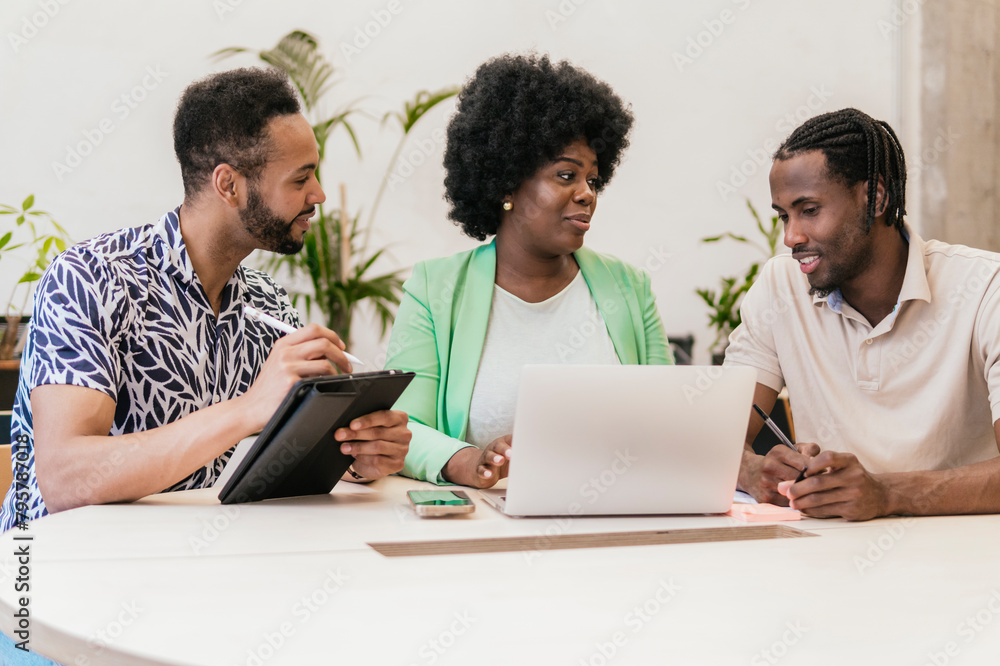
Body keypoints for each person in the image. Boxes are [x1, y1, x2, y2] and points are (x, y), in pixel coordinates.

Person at [0, 68, 411, 533]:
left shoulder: (268, 306)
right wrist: (247, 409)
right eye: (301, 179)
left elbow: (274, 463)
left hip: (203, 565)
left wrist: (356, 455)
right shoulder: (92, 278)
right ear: (229, 185)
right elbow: (65, 478)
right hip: (62, 575)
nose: (318, 195)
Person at [384, 53, 673, 489]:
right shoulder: (435, 289)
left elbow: (673, 420)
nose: (587, 194)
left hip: (616, 520)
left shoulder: (629, 287)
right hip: (484, 531)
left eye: (593, 180)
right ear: (506, 182)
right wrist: (468, 460)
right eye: (565, 175)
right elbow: (403, 428)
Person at [726, 107, 1000, 521]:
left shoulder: (984, 287)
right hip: (830, 560)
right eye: (784, 215)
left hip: (964, 566)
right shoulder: (780, 287)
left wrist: (887, 493)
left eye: (809, 210)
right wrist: (750, 470)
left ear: (875, 197)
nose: (791, 237)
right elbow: (715, 437)